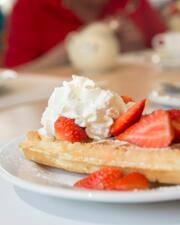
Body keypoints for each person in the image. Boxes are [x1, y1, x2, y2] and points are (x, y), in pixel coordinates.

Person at [4, 0, 167, 71]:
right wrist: (68, 51)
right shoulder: (31, 6)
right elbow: (14, 75)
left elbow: (167, 46)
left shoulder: (132, 4)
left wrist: (137, 47)